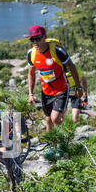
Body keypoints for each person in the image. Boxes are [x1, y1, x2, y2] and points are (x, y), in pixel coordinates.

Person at [27, 25, 82, 158]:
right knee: (48, 121)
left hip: (62, 89)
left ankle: (63, 144)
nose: (35, 42)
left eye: (38, 38)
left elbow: (72, 67)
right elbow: (31, 74)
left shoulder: (57, 51)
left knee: (55, 118)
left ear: (44, 37)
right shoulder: (32, 54)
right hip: (46, 92)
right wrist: (31, 93)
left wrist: (79, 87)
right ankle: (53, 146)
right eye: (32, 40)